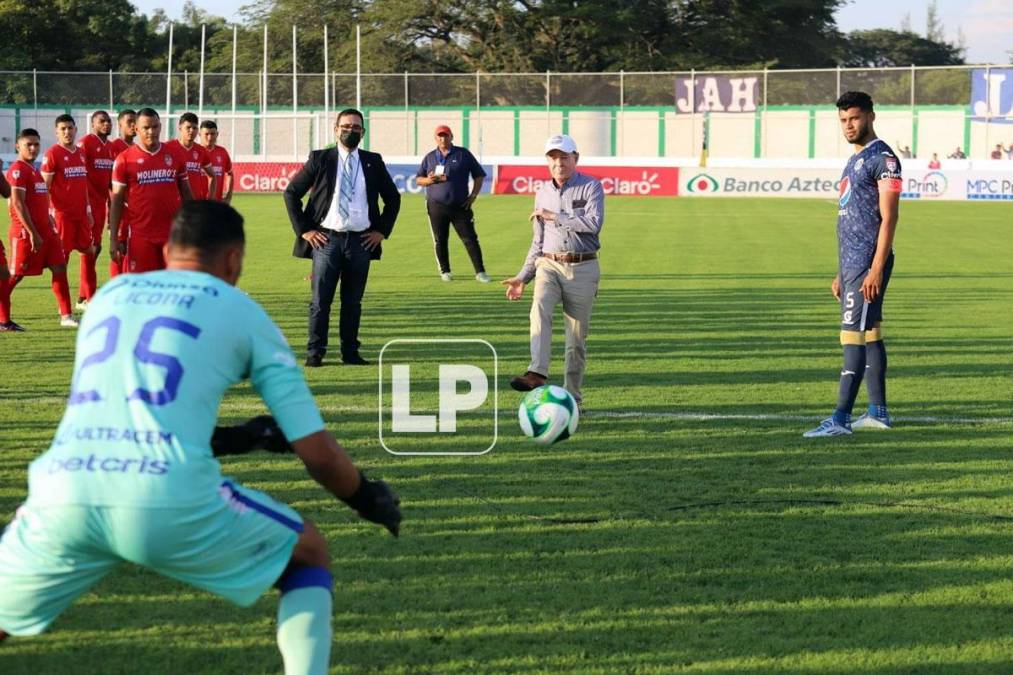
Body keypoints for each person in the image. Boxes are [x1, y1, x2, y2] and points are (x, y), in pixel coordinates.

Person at [0, 201, 402, 674]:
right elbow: (317, 452)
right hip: (166, 495)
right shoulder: (242, 311)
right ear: (234, 259)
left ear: (169, 250)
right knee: (307, 551)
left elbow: (137, 419)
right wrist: (364, 497)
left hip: (64, 490)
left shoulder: (113, 295)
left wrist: (238, 439)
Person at [804, 91, 900, 437]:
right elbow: (852, 218)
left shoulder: (883, 159)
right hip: (852, 266)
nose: (849, 125)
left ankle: (840, 419)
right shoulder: (854, 159)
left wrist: (874, 268)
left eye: (855, 118)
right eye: (843, 120)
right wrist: (840, 272)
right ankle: (877, 412)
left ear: (871, 116)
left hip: (866, 265)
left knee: (851, 336)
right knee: (870, 332)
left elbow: (888, 219)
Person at [284, 108, 401, 367]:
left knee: (352, 302)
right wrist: (305, 230)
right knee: (319, 302)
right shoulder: (320, 159)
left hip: (361, 242)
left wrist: (381, 230)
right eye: (346, 127)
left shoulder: (373, 161)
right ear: (336, 130)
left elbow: (393, 198)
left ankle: (350, 353)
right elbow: (292, 193)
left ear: (363, 132)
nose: (351, 131)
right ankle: (315, 353)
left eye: (356, 127)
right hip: (326, 241)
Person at [502, 134, 603, 412]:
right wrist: (522, 277)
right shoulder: (542, 191)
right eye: (553, 157)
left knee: (576, 342)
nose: (559, 163)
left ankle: (573, 399)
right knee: (539, 308)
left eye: (564, 157)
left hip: (583, 266)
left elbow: (593, 224)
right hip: (549, 264)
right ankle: (537, 372)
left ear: (575, 159)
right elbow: (538, 240)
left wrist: (555, 216)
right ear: (548, 161)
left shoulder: (591, 186)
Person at [4, 129, 77, 329]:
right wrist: (33, 233)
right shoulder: (17, 170)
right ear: (18, 146)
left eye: (36, 144)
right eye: (29, 144)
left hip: (47, 231)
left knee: (60, 267)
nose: (34, 148)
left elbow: (39, 200)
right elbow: (17, 204)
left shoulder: (34, 170)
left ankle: (66, 316)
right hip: (26, 234)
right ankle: (2, 316)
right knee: (15, 275)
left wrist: (49, 219)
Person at [109, 108, 193, 274]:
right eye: (146, 128)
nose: (151, 132)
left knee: (173, 287)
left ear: (160, 127)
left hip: (172, 235)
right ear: (136, 129)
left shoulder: (175, 155)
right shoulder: (124, 159)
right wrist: (114, 239)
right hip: (141, 237)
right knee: (143, 289)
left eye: (155, 127)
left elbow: (187, 196)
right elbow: (117, 202)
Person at [416, 125, 490, 283]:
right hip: (436, 206)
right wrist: (429, 180)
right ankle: (445, 271)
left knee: (470, 239)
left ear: (452, 136)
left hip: (461, 206)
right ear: (435, 138)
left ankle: (480, 272)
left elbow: (479, 175)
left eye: (446, 135)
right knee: (440, 239)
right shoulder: (430, 157)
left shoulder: (463, 154)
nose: (443, 138)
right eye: (440, 136)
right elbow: (419, 179)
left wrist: (473, 195)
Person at [42, 114, 96, 306]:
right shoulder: (52, 154)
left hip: (81, 215)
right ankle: (64, 309)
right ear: (57, 132)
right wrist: (48, 215)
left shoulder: (81, 153)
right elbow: (44, 188)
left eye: (70, 128)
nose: (67, 132)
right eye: (63, 129)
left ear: (76, 129)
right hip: (62, 216)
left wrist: (88, 209)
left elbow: (83, 185)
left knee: (90, 254)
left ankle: (89, 301)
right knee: (61, 263)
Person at [76, 110, 116, 309]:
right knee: (88, 250)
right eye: (102, 121)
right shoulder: (86, 143)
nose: (107, 124)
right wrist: (86, 204)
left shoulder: (109, 147)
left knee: (96, 248)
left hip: (101, 205)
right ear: (93, 124)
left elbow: (110, 181)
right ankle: (85, 298)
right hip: (87, 205)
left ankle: (83, 295)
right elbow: (79, 173)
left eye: (108, 121)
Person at [108, 109, 137, 278]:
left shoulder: (137, 148)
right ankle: (116, 289)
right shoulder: (113, 148)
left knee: (131, 249)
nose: (133, 125)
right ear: (120, 125)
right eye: (129, 122)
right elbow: (109, 182)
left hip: (134, 209)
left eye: (135, 122)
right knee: (118, 248)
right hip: (118, 207)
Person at [167, 112, 217, 201]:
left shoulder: (201, 150)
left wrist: (210, 199)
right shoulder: (168, 148)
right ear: (180, 128)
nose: (191, 131)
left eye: (194, 128)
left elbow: (212, 175)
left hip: (195, 203)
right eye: (188, 127)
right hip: (174, 202)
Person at [200, 119, 234, 203]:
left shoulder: (222, 152)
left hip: (216, 203)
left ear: (217, 134)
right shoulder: (194, 152)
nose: (210, 137)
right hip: (197, 203)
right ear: (199, 134)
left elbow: (230, 173)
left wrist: (228, 196)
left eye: (212, 134)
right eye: (206, 134)